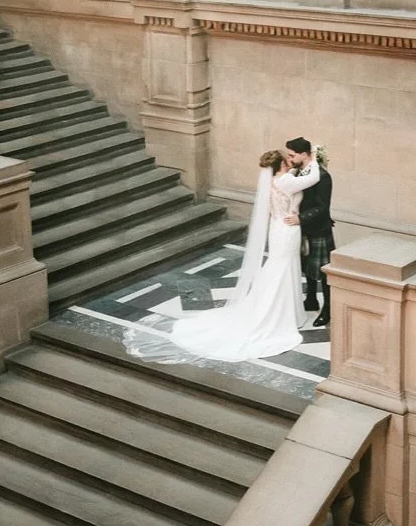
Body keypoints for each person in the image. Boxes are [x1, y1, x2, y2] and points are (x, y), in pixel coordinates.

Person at [123, 147, 322, 364]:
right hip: (287, 229)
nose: (290, 160)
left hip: (279, 227)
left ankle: (289, 312)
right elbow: (313, 178)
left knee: (282, 266)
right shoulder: (286, 181)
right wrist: (315, 159)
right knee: (281, 268)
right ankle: (277, 313)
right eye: (288, 158)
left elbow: (293, 180)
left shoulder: (277, 180)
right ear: (282, 163)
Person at [285, 137, 334, 328]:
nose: (289, 158)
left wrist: (301, 218)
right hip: (304, 230)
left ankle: (328, 310)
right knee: (307, 268)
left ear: (304, 155)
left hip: (319, 230)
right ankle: (311, 299)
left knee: (324, 272)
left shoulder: (323, 176)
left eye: (292, 155)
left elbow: (323, 207)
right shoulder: (298, 173)